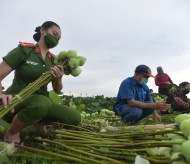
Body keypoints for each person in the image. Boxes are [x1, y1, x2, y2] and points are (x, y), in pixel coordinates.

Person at [0, 21, 81, 144]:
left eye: (59, 38)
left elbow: (57, 90)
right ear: (42, 30)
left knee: (75, 117)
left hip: (41, 105)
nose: (56, 39)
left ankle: (38, 121)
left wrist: (59, 79)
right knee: (42, 103)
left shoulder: (54, 60)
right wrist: (1, 94)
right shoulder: (24, 51)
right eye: (54, 34)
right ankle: (12, 132)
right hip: (14, 103)